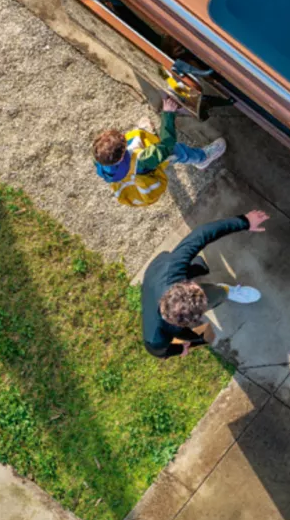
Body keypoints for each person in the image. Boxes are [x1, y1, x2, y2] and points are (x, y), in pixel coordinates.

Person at [142, 210, 269, 359]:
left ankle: (214, 283)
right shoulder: (156, 338)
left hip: (159, 269)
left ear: (181, 286)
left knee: (195, 271)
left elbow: (201, 235)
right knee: (215, 294)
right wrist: (179, 350)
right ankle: (225, 291)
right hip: (154, 278)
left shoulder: (173, 267)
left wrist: (244, 222)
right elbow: (158, 352)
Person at [92, 97, 225, 208]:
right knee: (175, 151)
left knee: (143, 142)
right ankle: (202, 158)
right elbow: (166, 145)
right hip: (147, 164)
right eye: (123, 143)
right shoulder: (143, 159)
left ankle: (147, 134)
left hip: (136, 165)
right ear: (121, 157)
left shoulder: (101, 159)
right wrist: (167, 114)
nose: (124, 137)